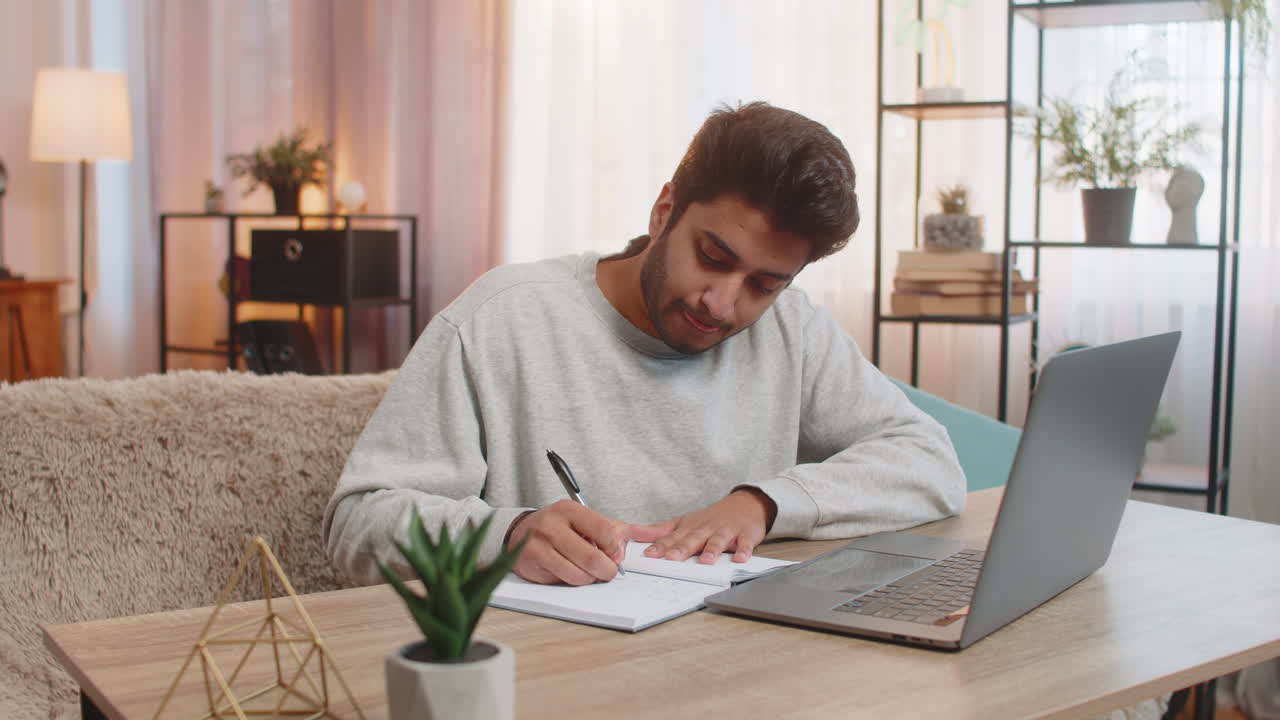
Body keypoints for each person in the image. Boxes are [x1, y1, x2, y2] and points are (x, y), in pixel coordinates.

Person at [324, 101, 965, 587]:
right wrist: (509, 533)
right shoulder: (502, 319)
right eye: (713, 257)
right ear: (664, 211)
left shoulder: (789, 326)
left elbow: (930, 464)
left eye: (764, 283)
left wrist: (765, 502)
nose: (723, 303)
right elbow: (356, 525)